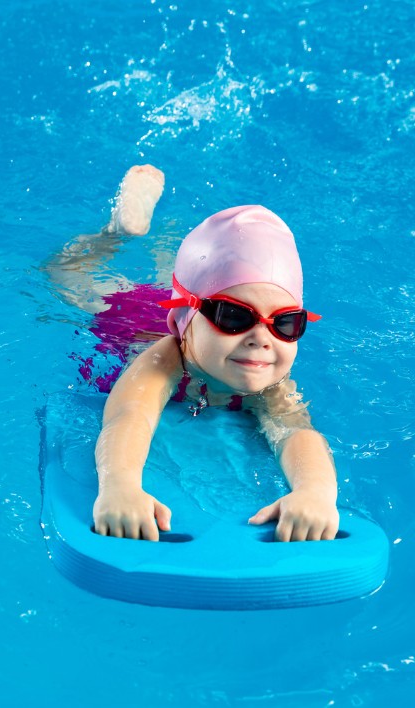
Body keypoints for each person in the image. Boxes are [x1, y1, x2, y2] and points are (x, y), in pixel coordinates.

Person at [47, 165, 338, 543]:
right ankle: (117, 230)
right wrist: (120, 487)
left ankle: (181, 261)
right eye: (233, 316)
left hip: (192, 303)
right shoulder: (161, 363)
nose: (261, 339)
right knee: (63, 273)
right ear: (181, 324)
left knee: (192, 275)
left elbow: (297, 434)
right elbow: (129, 416)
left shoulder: (270, 379)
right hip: (131, 319)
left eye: (285, 322)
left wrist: (315, 493)